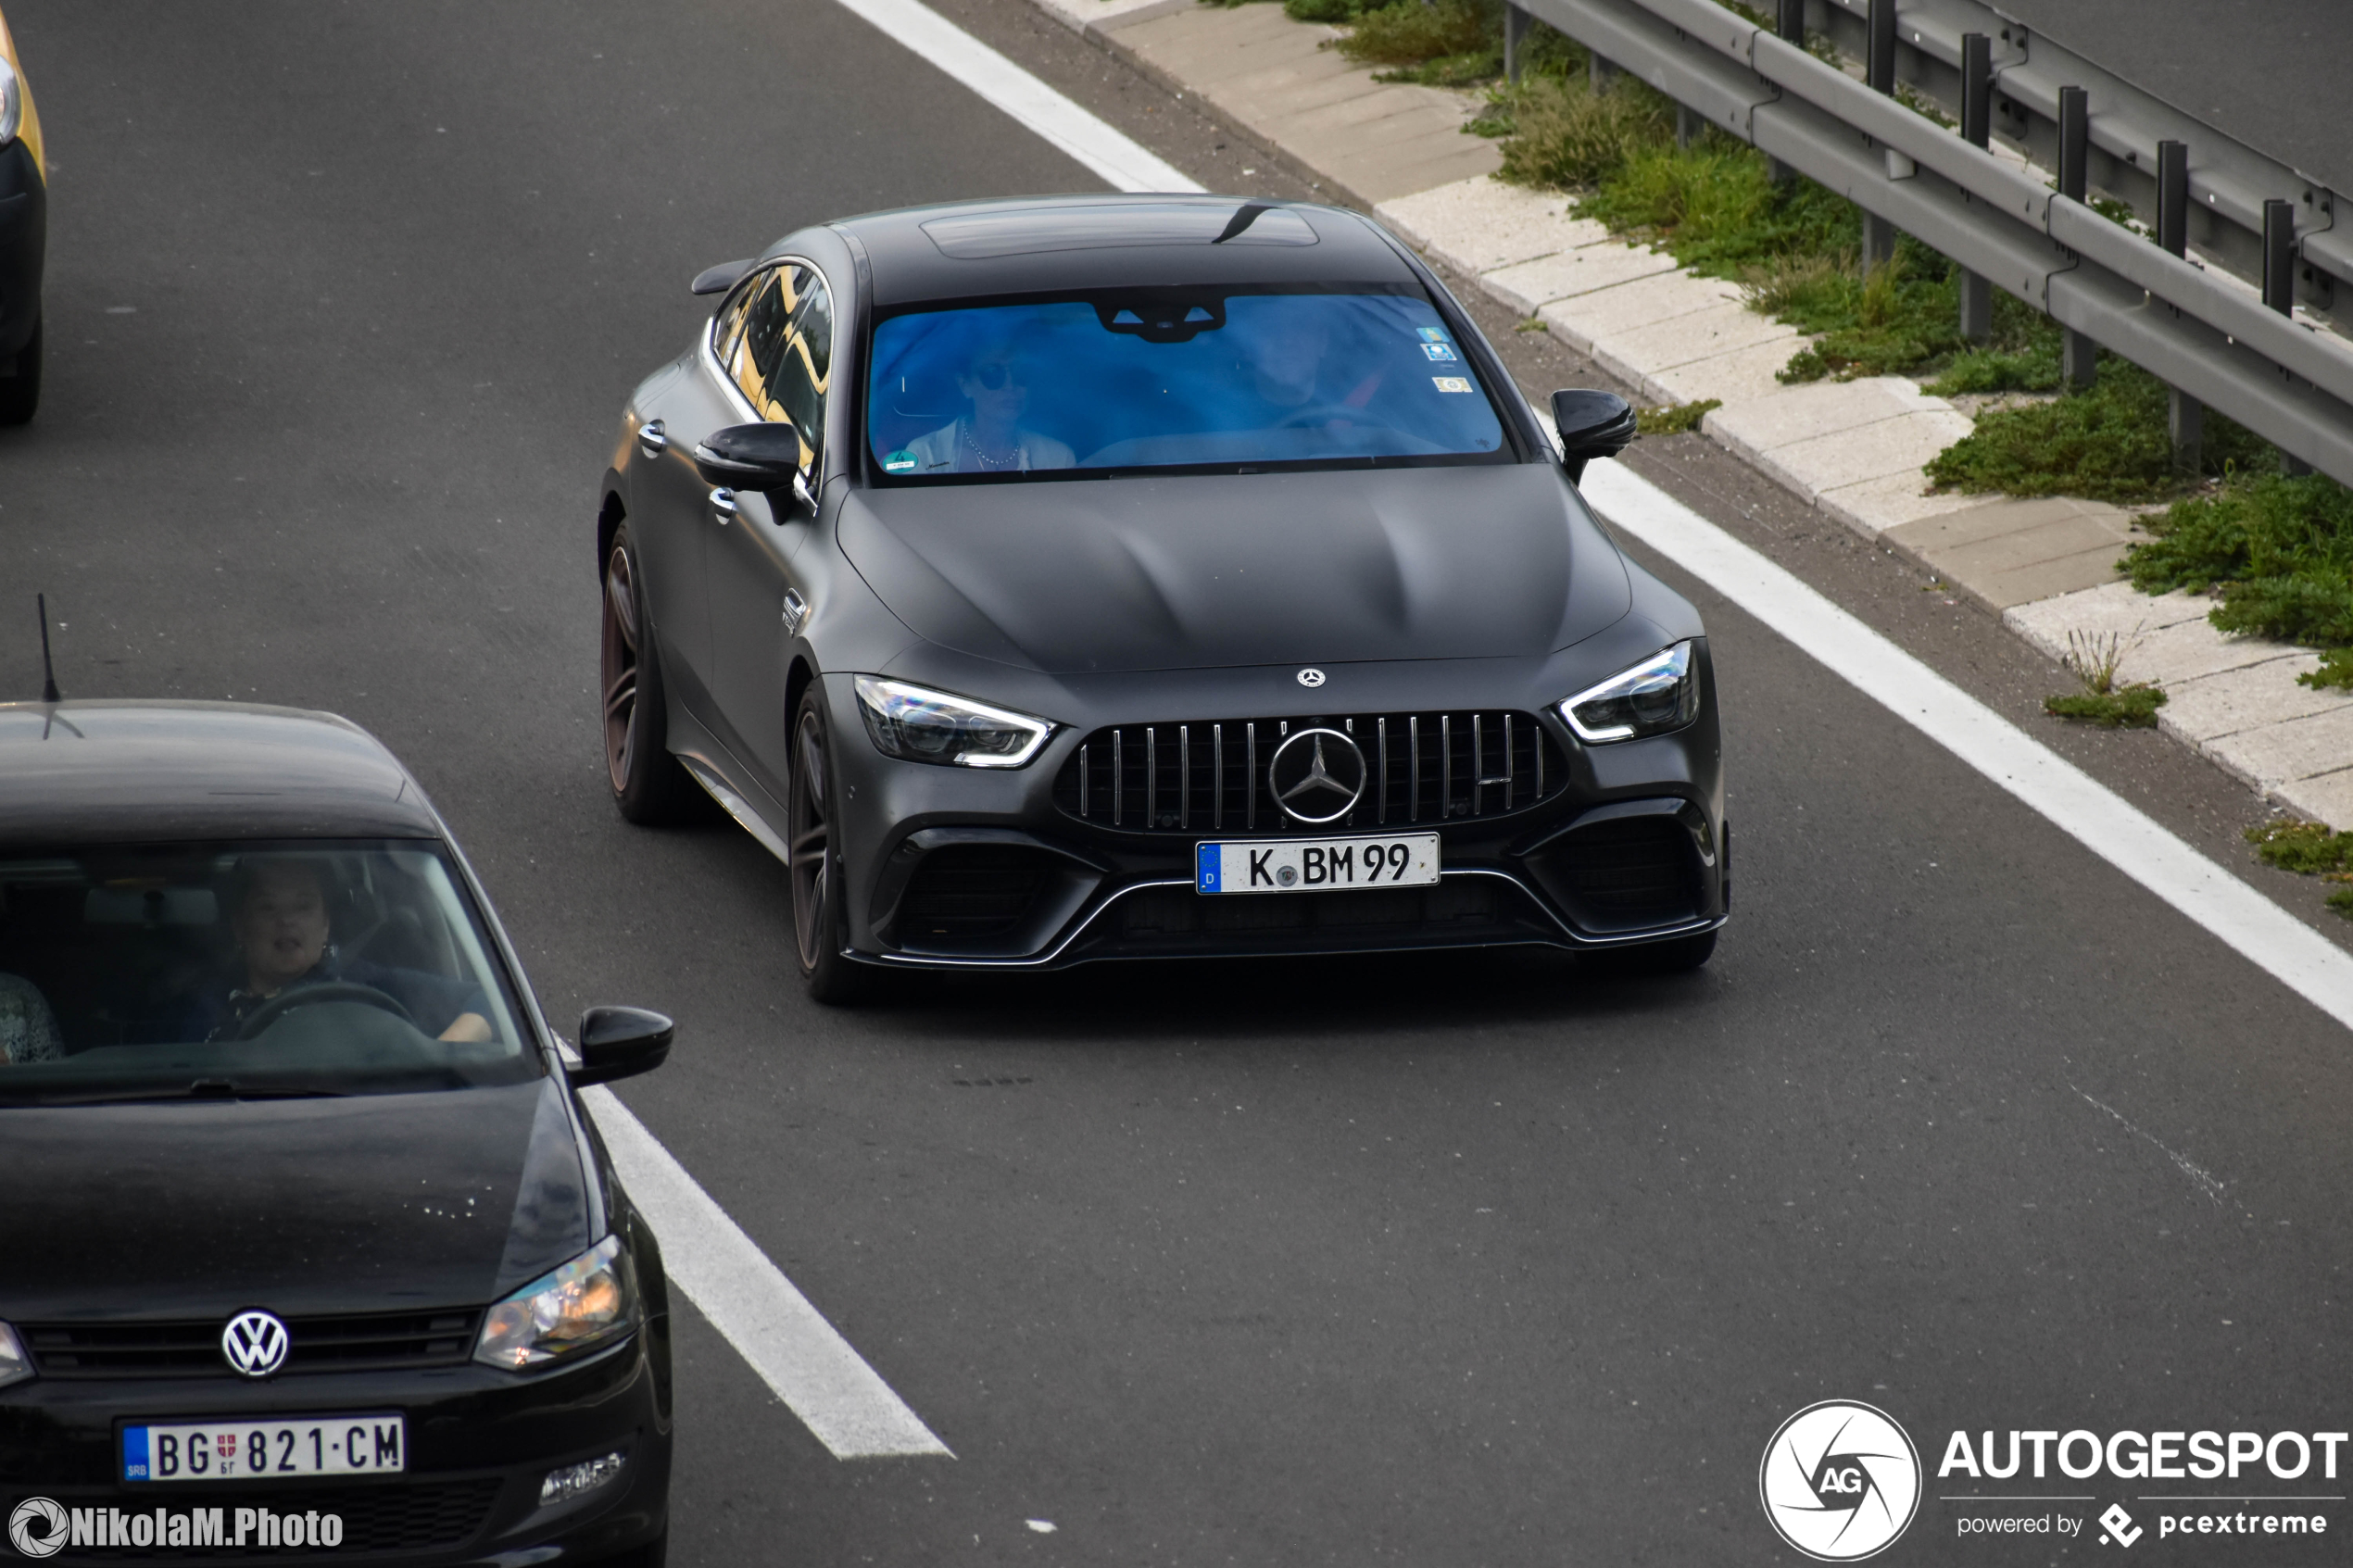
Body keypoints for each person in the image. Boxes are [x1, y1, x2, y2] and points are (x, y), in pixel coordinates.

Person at [163, 857, 494, 1044]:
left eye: (303, 906)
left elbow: (494, 1001)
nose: (287, 921)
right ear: (240, 926)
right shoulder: (203, 1005)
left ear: (325, 924)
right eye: (267, 907)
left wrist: (441, 1055)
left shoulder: (367, 984)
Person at [898, 345, 1074, 474]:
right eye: (993, 374)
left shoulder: (1058, 457)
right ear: (965, 385)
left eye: (1021, 372)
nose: (1010, 386)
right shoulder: (925, 454)